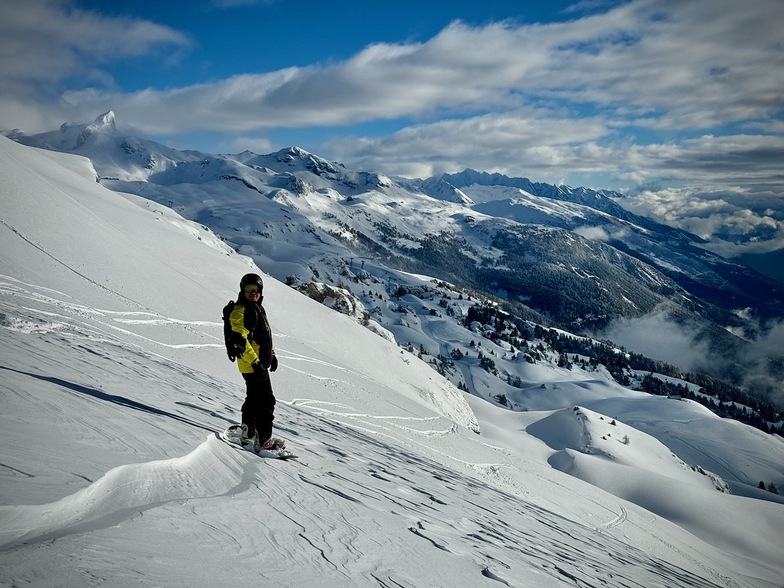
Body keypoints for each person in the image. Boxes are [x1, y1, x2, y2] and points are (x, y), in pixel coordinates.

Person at [228, 273, 285, 451]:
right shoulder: (241, 310)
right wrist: (255, 363)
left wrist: (272, 355)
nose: (253, 293)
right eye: (249, 289)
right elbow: (240, 339)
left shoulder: (257, 308)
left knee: (254, 398)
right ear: (242, 290)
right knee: (267, 401)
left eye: (256, 290)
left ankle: (249, 432)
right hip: (252, 364)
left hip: (256, 363)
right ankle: (264, 441)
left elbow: (264, 336)